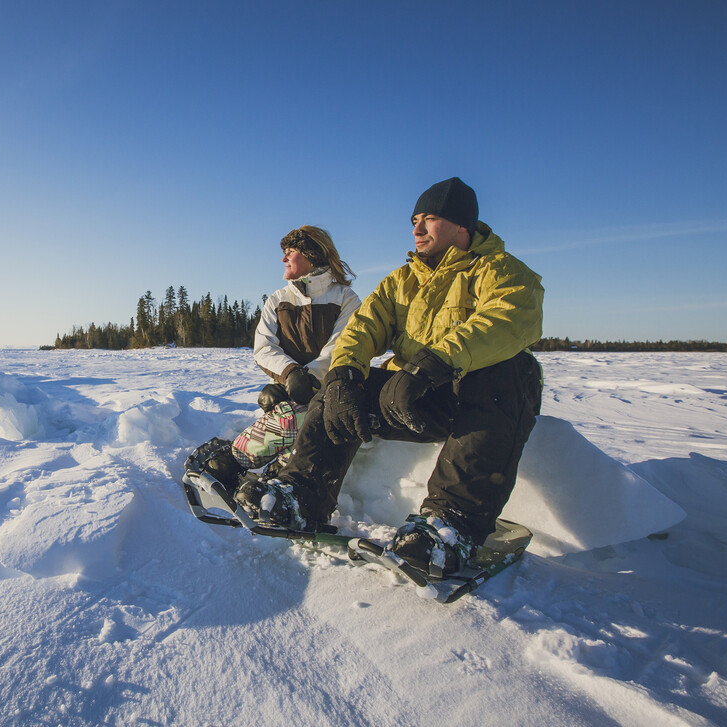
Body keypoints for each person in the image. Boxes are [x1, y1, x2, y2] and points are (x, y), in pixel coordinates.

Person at [235, 178, 544, 578]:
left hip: (479, 401)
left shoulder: (504, 272)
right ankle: (303, 493)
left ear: (462, 226)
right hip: (415, 398)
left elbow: (505, 321)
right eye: (414, 219)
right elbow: (361, 331)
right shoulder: (401, 281)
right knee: (339, 389)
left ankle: (450, 524)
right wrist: (344, 375)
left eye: (429, 219)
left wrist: (429, 365)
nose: (416, 229)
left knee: (512, 370)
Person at [185, 226, 361, 493]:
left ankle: (271, 474)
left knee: (302, 420)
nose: (283, 258)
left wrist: (309, 378)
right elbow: (264, 346)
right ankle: (234, 462)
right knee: (289, 416)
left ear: (312, 254)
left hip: (331, 389)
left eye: (290, 252)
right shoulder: (278, 300)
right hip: (290, 389)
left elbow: (341, 347)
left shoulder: (345, 298)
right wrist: (289, 375)